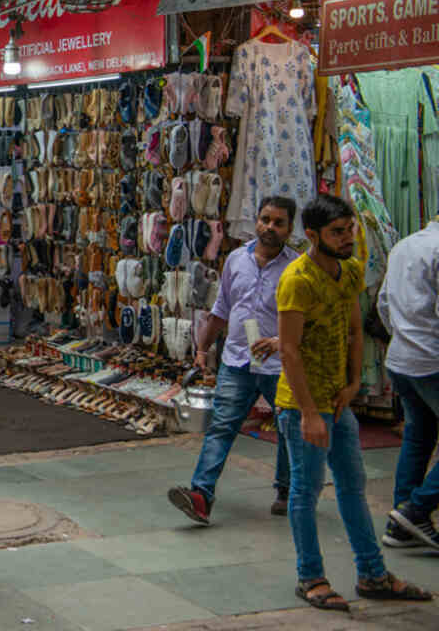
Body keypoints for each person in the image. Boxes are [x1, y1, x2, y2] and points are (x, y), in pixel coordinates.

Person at [275, 193, 431, 611]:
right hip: (301, 403)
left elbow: (355, 331)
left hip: (339, 401)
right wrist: (309, 412)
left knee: (352, 488)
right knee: (305, 493)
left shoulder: (350, 272)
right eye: (338, 232)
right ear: (312, 235)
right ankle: (310, 578)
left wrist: (353, 385)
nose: (348, 238)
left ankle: (373, 573)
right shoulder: (297, 279)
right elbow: (288, 350)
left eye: (350, 230)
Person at [169, 196, 298, 524]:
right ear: (256, 220)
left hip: (280, 364)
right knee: (222, 427)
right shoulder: (237, 260)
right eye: (264, 219)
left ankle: (286, 490)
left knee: (287, 429)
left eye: (278, 222)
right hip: (238, 360)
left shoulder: (297, 269)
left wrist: (281, 342)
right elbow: (221, 310)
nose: (269, 227)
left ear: (289, 228)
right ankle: (201, 495)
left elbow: (307, 322)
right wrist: (201, 349)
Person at [380, 214, 439, 550]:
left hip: (402, 358)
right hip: (431, 360)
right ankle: (416, 509)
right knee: (419, 434)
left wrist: (404, 337)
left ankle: (400, 522)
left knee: (419, 435)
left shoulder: (404, 246)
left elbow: (384, 304)